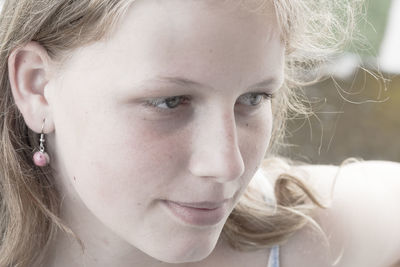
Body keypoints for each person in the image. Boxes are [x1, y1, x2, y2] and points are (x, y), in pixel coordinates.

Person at [0, 0, 399, 266]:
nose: (227, 165)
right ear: (37, 87)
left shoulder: (306, 241)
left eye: (254, 98)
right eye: (171, 102)